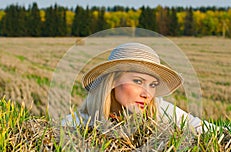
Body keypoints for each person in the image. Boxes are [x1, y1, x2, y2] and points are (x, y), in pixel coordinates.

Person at [62, 42, 215, 134]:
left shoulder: (158, 108)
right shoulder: (82, 120)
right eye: (138, 81)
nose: (147, 94)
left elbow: (207, 130)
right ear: (113, 81)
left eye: (153, 84)